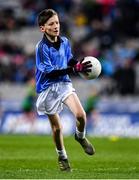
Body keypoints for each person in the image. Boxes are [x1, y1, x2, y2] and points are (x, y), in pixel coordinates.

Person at [35, 9, 95, 172]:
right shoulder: (41, 48)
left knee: (81, 115)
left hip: (63, 84)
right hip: (47, 88)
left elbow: (68, 60)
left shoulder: (65, 42)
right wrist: (74, 69)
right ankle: (62, 156)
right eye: (51, 24)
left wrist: (79, 64)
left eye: (57, 22)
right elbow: (50, 72)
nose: (56, 26)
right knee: (58, 128)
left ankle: (80, 137)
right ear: (43, 28)